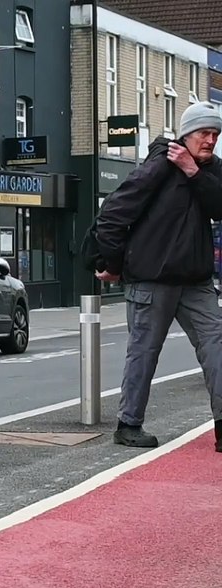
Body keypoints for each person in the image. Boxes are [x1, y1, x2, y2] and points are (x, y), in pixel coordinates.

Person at [93, 101, 222, 452]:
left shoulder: (211, 170)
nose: (210, 140)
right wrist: (114, 265)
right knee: (144, 352)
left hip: (196, 281)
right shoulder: (160, 166)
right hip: (152, 278)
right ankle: (128, 425)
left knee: (217, 346)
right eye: (203, 133)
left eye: (215, 134)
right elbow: (113, 214)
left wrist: (194, 172)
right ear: (185, 134)